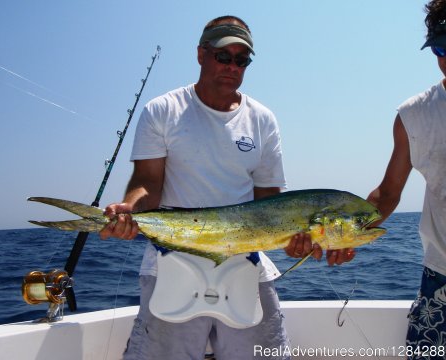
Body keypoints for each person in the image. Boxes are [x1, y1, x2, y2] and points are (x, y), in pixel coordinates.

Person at [100, 15, 353, 360]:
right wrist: (130, 209)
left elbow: (270, 203)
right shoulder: (162, 110)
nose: (232, 66)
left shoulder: (262, 119)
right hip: (172, 260)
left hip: (245, 263)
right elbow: (147, 183)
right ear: (201, 54)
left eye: (241, 60)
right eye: (223, 56)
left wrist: (298, 243)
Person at [367, 0, 446, 357]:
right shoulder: (414, 115)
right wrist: (339, 234)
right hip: (440, 274)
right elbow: (388, 194)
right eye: (442, 48)